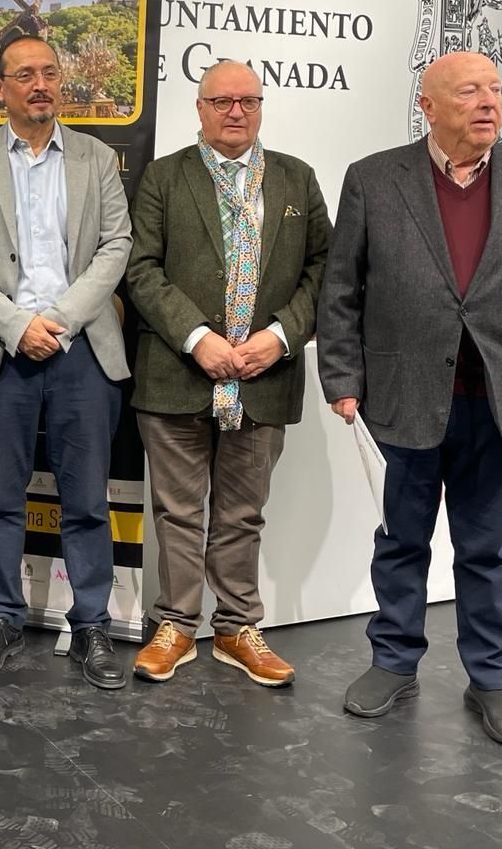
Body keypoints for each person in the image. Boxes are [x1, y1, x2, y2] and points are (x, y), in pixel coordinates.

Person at [316, 49, 502, 748]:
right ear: (428, 105)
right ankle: (394, 662)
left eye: (496, 90)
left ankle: (493, 680)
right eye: (470, 91)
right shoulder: (375, 180)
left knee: (484, 548)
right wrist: (342, 379)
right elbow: (341, 289)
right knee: (402, 540)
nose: (489, 103)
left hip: (499, 399)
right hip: (404, 395)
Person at [126, 61, 331, 686]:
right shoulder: (164, 177)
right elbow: (141, 270)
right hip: (177, 374)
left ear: (262, 105)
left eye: (247, 100)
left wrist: (277, 337)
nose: (235, 111)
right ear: (199, 107)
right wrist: (198, 340)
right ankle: (177, 627)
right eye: (221, 100)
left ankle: (238, 626)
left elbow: (324, 271)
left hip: (264, 376)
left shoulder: (297, 179)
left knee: (244, 514)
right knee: (178, 512)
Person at [0, 35, 133, 690]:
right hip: (4, 350)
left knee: (86, 500)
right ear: (0, 87)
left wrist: (61, 320)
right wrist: (19, 326)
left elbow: (116, 247)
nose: (41, 84)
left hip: (82, 350)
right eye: (25, 75)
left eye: (50, 72)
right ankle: (2, 616)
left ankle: (93, 625)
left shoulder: (98, 158)